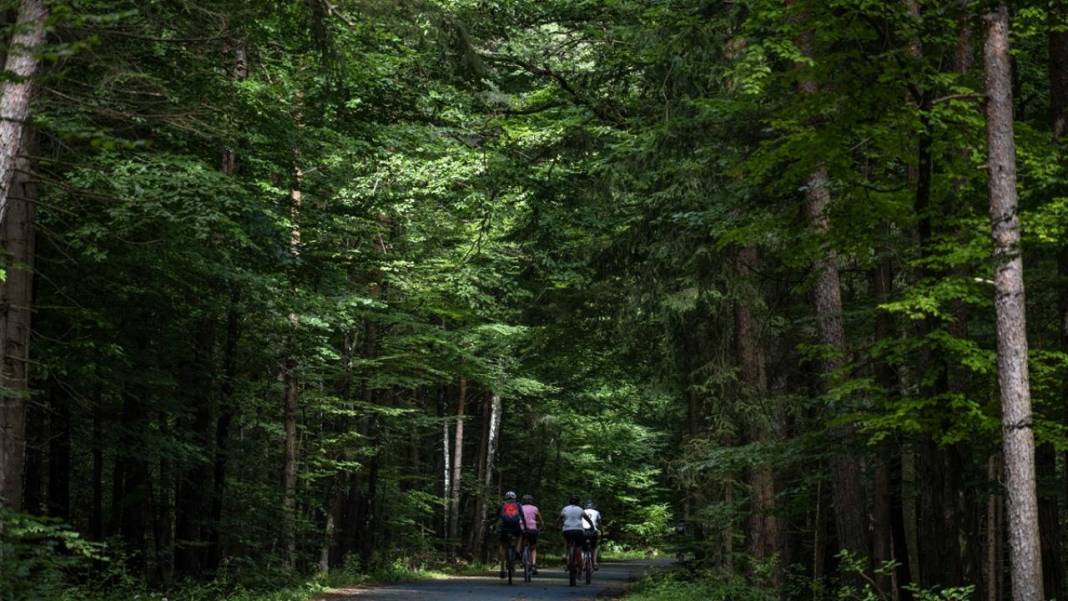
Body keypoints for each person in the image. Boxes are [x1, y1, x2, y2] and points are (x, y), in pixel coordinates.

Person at [558, 495, 595, 569]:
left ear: (569, 501)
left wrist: (556, 526)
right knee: (578, 547)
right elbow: (588, 519)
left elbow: (559, 518)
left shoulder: (565, 509)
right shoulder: (580, 509)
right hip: (578, 530)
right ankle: (579, 564)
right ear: (578, 502)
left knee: (566, 541)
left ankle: (565, 554)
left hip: (567, 530)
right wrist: (592, 527)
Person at [496, 491, 525, 578]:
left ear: (506, 497)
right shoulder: (518, 505)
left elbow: (498, 517)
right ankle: (517, 550)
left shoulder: (502, 505)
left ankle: (502, 570)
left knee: (503, 545)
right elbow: (522, 517)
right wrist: (525, 527)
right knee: (520, 536)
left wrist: (496, 527)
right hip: (515, 527)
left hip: (505, 528)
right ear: (515, 498)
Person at [519, 494, 542, 574]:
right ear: (532, 501)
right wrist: (541, 525)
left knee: (521, 541)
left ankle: (521, 555)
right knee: (533, 548)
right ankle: (533, 564)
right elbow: (540, 519)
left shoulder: (520, 507)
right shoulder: (535, 508)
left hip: (522, 528)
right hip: (532, 529)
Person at [583, 500, 603, 570]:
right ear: (593, 506)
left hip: (583, 531)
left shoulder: (582, 511)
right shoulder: (597, 512)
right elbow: (600, 523)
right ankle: (594, 562)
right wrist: (602, 531)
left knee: (581, 546)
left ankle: (582, 562)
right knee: (594, 547)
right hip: (593, 531)